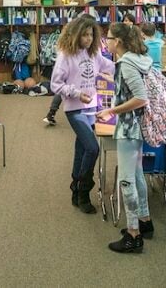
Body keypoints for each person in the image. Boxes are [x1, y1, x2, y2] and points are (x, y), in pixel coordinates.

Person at [98, 23, 154, 253]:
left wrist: (111, 111)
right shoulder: (137, 59)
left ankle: (133, 234)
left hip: (129, 129)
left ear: (118, 41)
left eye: (108, 38)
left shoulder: (126, 64)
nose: (106, 42)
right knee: (137, 174)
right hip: (137, 127)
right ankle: (145, 221)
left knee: (126, 180)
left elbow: (140, 98)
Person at [51, 16, 115, 214]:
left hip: (92, 109)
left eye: (91, 35)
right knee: (92, 148)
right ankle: (84, 190)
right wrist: (77, 93)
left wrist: (127, 62)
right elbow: (55, 85)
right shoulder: (65, 56)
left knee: (81, 149)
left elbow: (109, 66)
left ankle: (75, 188)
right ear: (76, 34)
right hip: (75, 110)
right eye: (85, 35)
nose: (88, 39)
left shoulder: (93, 53)